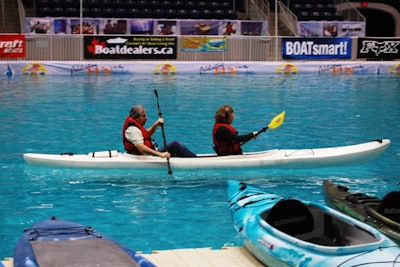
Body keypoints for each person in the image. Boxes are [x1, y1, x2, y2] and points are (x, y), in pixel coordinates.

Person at [123, 105, 196, 158]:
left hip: (149, 154)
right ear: (136, 117)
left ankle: (190, 157)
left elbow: (146, 135)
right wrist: (160, 154)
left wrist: (155, 125)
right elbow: (141, 148)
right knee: (175, 145)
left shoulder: (136, 127)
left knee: (174, 151)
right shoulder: (132, 130)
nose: (146, 118)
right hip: (146, 156)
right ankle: (194, 160)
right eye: (143, 116)